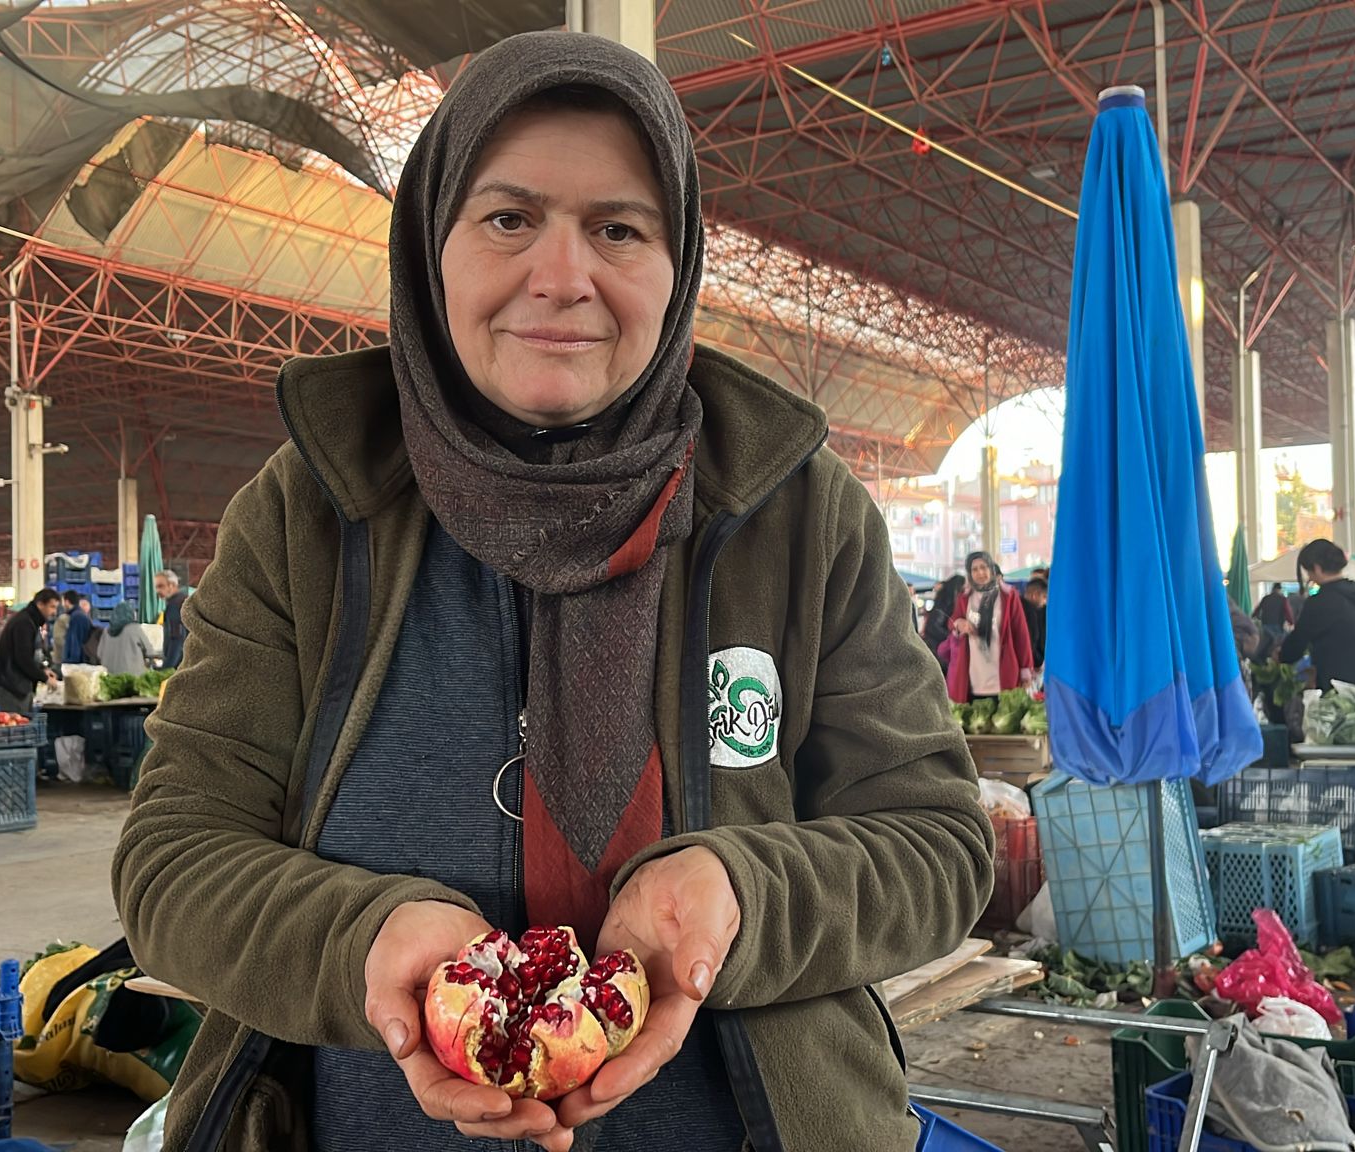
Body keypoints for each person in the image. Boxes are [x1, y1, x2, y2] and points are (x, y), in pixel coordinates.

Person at [111, 36, 991, 1152]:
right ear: (432, 245)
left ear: (678, 267)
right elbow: (171, 859)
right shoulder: (308, 512)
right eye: (507, 218)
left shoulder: (796, 512)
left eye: (618, 229)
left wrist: (742, 893)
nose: (561, 276)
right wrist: (363, 942)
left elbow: (936, 844)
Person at [1276, 539, 1355, 704]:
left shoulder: (1320, 602)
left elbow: (1296, 645)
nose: (1310, 577)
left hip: (1342, 685)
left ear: (1318, 568)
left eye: (1309, 572)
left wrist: (1281, 655)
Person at [938, 550, 1035, 704]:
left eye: (983, 567)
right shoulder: (964, 597)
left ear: (991, 569)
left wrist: (1025, 671)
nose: (980, 573)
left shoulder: (1008, 596)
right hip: (972, 674)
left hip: (1002, 672)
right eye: (974, 569)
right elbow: (953, 622)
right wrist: (959, 624)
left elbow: (1020, 634)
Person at [0, 589, 60, 714]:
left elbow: (29, 654)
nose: (54, 612)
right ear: (40, 604)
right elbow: (23, 659)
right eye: (52, 607)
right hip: (11, 685)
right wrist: (44, 678)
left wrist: (42, 669)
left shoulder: (30, 621)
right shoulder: (24, 623)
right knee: (17, 725)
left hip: (17, 683)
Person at [920, 574, 965, 673]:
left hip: (936, 650)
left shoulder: (942, 602)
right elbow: (933, 627)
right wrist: (953, 638)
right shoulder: (945, 605)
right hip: (938, 651)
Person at [153, 569, 188, 669]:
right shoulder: (185, 600)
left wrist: (167, 667)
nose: (157, 591)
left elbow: (176, 639)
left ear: (171, 585)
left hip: (180, 664)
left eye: (161, 586)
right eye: (156, 587)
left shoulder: (174, 606)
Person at [1253, 582, 1297, 655]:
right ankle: (1274, 658)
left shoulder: (1266, 598)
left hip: (1265, 625)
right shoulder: (1282, 599)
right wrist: (1291, 622)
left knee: (1265, 644)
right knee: (1278, 644)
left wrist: (1254, 617)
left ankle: (1264, 658)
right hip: (1277, 625)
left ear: (1273, 589)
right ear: (1279, 589)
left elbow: (1257, 610)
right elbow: (1287, 612)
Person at [62, 592, 96, 665]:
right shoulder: (78, 615)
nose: (63, 605)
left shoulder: (77, 617)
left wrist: (71, 662)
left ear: (67, 602)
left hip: (78, 662)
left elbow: (76, 641)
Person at [1023, 576, 1049, 669]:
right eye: (1045, 597)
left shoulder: (1018, 607)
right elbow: (1030, 641)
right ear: (1035, 595)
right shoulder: (1029, 612)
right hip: (1030, 665)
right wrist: (1039, 661)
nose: (1045, 602)